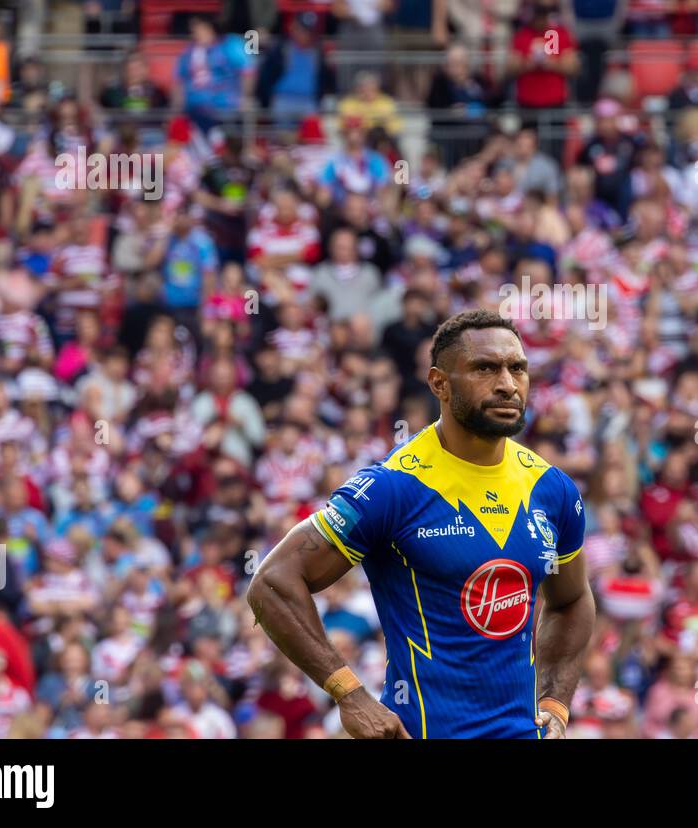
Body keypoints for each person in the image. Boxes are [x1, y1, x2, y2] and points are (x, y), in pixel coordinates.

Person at [248, 309, 595, 738]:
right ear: (439, 384)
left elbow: (572, 600)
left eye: (517, 368)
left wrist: (556, 704)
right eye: (485, 368)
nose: (507, 384)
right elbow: (272, 582)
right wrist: (349, 694)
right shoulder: (392, 489)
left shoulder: (553, 490)